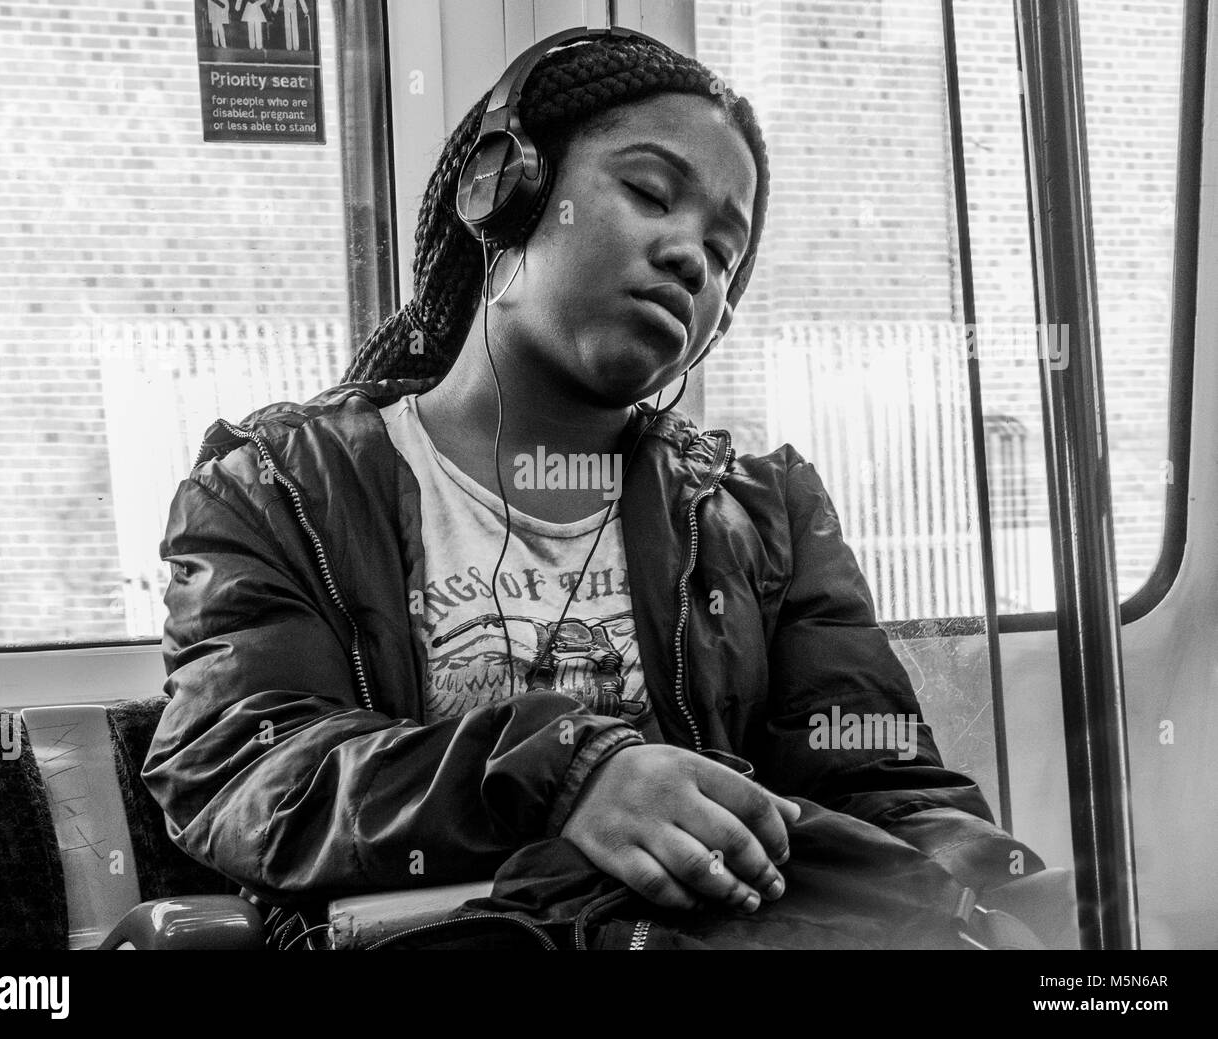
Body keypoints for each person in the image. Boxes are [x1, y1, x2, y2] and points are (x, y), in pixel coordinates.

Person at [145, 31, 1045, 946]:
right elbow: (246, 766)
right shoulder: (277, 487)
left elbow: (875, 778)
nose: (693, 256)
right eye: (651, 193)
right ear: (505, 190)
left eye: (724, 252)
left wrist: (1009, 893)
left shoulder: (762, 516)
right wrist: (570, 773)